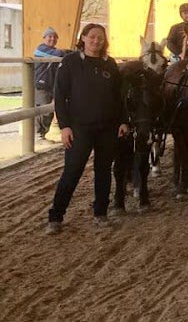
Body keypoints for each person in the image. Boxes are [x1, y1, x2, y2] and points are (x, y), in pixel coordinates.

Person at [46, 24, 129, 235]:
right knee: (72, 171)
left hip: (107, 127)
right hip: (79, 128)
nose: (96, 41)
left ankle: (100, 213)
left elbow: (119, 97)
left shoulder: (110, 64)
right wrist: (64, 126)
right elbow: (60, 96)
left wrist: (123, 121)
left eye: (100, 38)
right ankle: (56, 216)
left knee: (103, 171)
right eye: (92, 37)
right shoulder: (70, 62)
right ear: (83, 38)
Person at [33, 27, 68, 143]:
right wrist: (67, 52)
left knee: (50, 111)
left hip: (51, 85)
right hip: (41, 85)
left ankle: (43, 134)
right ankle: (38, 135)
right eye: (50, 36)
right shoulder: (41, 50)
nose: (52, 39)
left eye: (55, 37)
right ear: (44, 38)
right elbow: (60, 53)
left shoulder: (55, 52)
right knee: (42, 110)